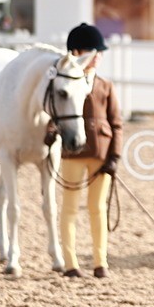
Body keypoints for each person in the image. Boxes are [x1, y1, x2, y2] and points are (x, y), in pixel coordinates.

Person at [60, 23, 122, 279]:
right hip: (73, 153)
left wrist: (115, 156)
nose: (98, 56)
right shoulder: (65, 82)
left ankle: (100, 262)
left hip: (101, 155)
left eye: (99, 52)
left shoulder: (105, 85)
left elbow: (116, 122)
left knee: (97, 208)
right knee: (70, 208)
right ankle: (70, 263)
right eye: (93, 51)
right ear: (76, 52)